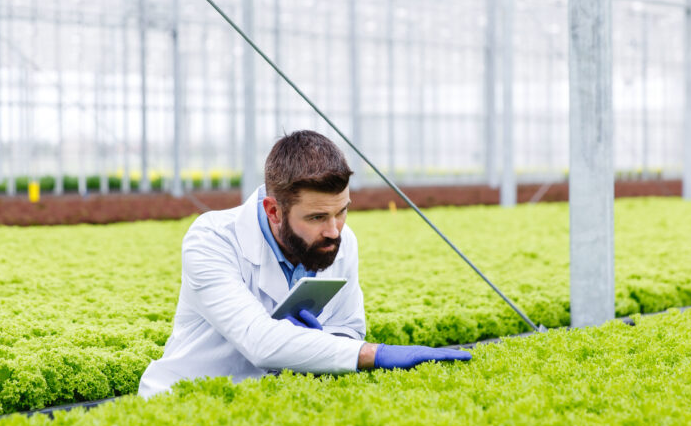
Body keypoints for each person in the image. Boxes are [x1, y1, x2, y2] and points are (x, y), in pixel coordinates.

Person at [138, 130, 471, 396]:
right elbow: (259, 342)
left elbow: (349, 328)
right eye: (316, 216)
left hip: (266, 402)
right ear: (273, 211)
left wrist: (324, 338)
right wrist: (375, 354)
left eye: (342, 211)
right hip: (183, 400)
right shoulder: (212, 240)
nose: (333, 230)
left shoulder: (341, 239)